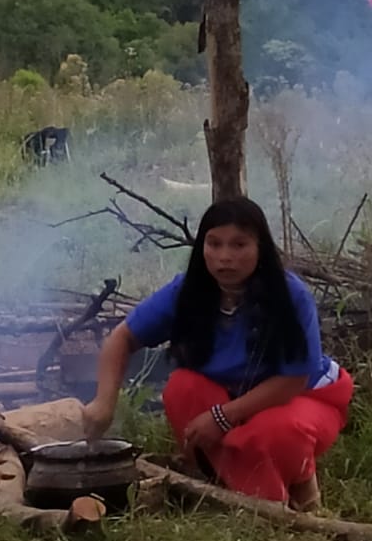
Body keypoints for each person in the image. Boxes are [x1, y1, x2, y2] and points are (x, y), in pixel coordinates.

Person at [82, 197, 353, 507]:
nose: (225, 257)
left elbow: (293, 380)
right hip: (233, 398)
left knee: (273, 431)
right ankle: (226, 483)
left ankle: (296, 488)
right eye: (214, 244)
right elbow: (123, 338)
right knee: (182, 388)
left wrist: (222, 417)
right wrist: (103, 402)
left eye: (239, 245)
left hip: (303, 397)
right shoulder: (188, 291)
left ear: (261, 248)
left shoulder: (290, 295)